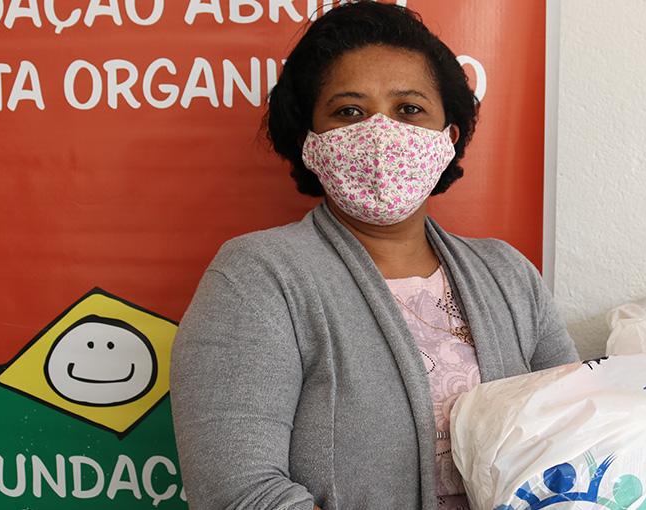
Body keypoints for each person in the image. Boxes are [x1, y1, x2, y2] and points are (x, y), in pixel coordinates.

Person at [169, 3, 579, 509]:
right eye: (349, 112)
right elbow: (238, 490)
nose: (380, 134)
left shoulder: (508, 273)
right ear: (310, 142)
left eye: (409, 109)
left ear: (448, 138)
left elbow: (576, 434)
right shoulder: (257, 277)